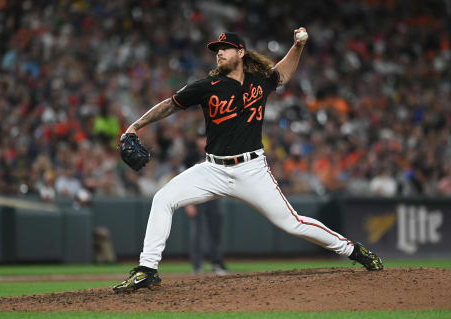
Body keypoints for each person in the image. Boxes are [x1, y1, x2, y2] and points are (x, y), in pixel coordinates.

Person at [113, 29, 383, 293]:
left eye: (224, 49)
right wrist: (135, 126)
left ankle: (354, 250)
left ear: (240, 53)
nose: (219, 54)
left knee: (292, 223)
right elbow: (170, 104)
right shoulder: (207, 86)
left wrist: (298, 47)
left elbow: (284, 73)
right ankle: (147, 270)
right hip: (213, 169)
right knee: (163, 198)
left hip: (252, 169)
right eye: (216, 51)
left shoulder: (259, 80)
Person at [184, 129, 227, 275]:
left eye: (205, 138)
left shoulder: (216, 153)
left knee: (216, 232)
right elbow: (185, 180)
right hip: (196, 198)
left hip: (214, 196)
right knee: (197, 233)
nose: (203, 141)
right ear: (196, 140)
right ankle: (197, 266)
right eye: (200, 138)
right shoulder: (191, 156)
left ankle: (217, 263)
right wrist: (188, 203)